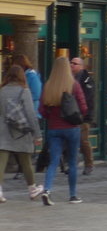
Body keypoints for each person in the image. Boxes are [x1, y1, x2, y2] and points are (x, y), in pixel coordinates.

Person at [38, 56, 87, 205]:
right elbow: (83, 107)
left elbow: (42, 110)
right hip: (71, 128)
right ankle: (73, 195)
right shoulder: (74, 85)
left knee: (53, 161)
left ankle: (47, 190)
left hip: (54, 128)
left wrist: (51, 116)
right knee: (72, 162)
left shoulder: (48, 85)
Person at [0, 64, 43, 203]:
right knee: (26, 162)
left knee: (1, 163)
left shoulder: (2, 90)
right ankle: (32, 189)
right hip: (21, 131)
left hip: (3, 130)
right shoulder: (24, 91)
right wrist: (37, 134)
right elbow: (31, 114)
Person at [70, 57, 97, 175]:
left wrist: (84, 112)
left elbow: (88, 98)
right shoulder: (69, 78)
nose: (72, 65)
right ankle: (71, 164)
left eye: (74, 63)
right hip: (71, 114)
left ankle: (89, 164)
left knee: (83, 140)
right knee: (70, 140)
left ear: (81, 66)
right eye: (71, 63)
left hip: (84, 115)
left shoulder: (87, 80)